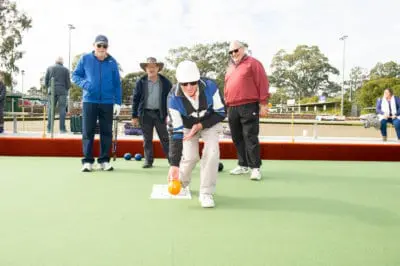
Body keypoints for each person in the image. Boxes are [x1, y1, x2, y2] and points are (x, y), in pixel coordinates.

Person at [167, 60, 226, 208]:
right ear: (179, 83)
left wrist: (201, 125)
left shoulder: (211, 87)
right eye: (184, 84)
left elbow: (221, 113)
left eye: (193, 83)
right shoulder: (173, 98)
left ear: (198, 80)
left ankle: (206, 193)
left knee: (212, 153)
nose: (189, 87)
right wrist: (174, 164)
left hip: (209, 123)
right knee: (191, 157)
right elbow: (176, 132)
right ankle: (182, 182)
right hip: (186, 127)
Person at [72, 35, 122, 172]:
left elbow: (117, 84)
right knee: (88, 131)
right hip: (90, 100)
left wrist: (118, 102)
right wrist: (86, 84)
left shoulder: (112, 62)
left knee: (106, 132)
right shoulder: (85, 59)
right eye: (99, 45)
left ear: (107, 48)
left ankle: (104, 160)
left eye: (104, 46)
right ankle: (87, 161)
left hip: (107, 102)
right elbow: (75, 75)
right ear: (94, 45)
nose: (101, 48)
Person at [224, 40, 269, 181]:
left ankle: (255, 168)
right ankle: (243, 164)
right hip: (232, 107)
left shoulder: (253, 63)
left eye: (236, 50)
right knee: (237, 137)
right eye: (231, 52)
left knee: (250, 136)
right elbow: (227, 86)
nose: (233, 54)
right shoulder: (230, 67)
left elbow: (263, 82)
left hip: (249, 105)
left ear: (243, 49)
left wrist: (263, 104)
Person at [132, 57, 172, 168]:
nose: (151, 69)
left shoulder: (166, 82)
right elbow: (135, 99)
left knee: (165, 138)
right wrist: (134, 116)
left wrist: (170, 114)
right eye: (149, 67)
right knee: (147, 139)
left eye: (153, 66)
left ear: (158, 68)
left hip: (160, 114)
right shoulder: (141, 81)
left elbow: (171, 99)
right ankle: (148, 161)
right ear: (145, 69)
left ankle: (172, 161)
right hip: (145, 114)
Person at [45, 56, 71, 133]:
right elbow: (68, 82)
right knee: (62, 109)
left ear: (55, 61)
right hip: (62, 91)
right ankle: (62, 129)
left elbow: (46, 80)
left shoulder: (49, 68)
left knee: (51, 109)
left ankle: (49, 129)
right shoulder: (66, 70)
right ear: (62, 62)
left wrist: (49, 88)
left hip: (52, 90)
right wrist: (66, 89)